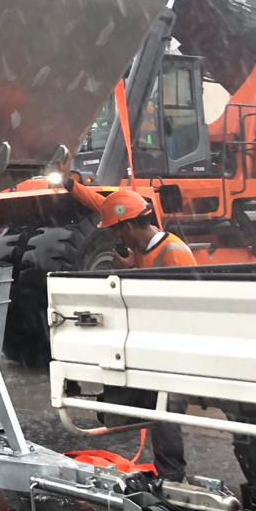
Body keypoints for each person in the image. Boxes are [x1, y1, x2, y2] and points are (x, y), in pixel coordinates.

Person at [66, 178, 194, 481]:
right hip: (152, 344)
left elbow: (187, 306)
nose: (112, 237)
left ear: (127, 228)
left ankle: (173, 478)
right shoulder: (143, 247)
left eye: (114, 230)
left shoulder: (175, 253)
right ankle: (168, 474)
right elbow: (104, 205)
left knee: (166, 411)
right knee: (150, 409)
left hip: (174, 347)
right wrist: (72, 185)